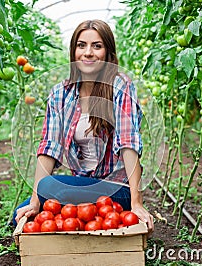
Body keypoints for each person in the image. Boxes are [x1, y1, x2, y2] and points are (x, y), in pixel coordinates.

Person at [13, 19, 154, 233]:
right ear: (73, 51)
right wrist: (35, 200)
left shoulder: (120, 86)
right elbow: (49, 148)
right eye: (81, 45)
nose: (88, 52)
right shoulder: (61, 93)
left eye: (97, 46)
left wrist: (136, 202)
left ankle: (97, 210)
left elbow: (128, 143)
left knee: (50, 187)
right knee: (22, 214)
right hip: (80, 185)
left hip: (116, 190)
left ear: (108, 53)